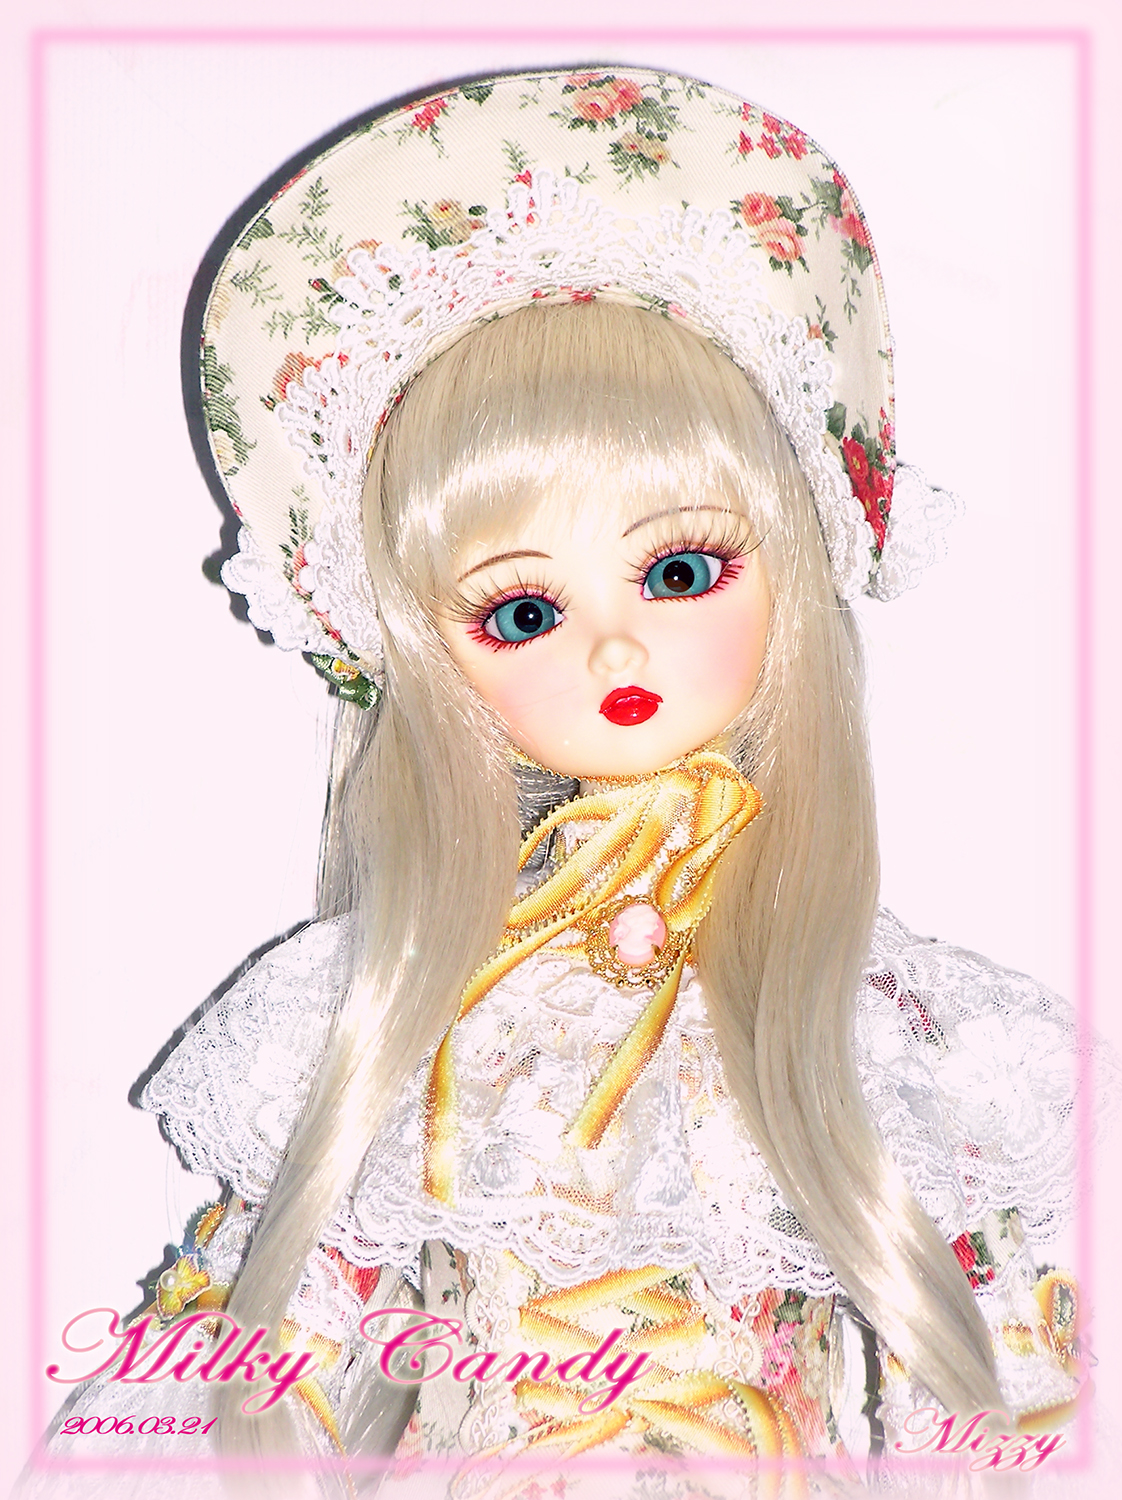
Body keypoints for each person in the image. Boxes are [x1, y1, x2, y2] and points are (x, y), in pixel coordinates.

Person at [27, 66, 1084, 1499]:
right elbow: (253, 1373)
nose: (615, 645)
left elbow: (1011, 1399)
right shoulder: (379, 1017)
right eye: (521, 611)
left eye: (681, 569)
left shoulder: (898, 1032)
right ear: (420, 652)